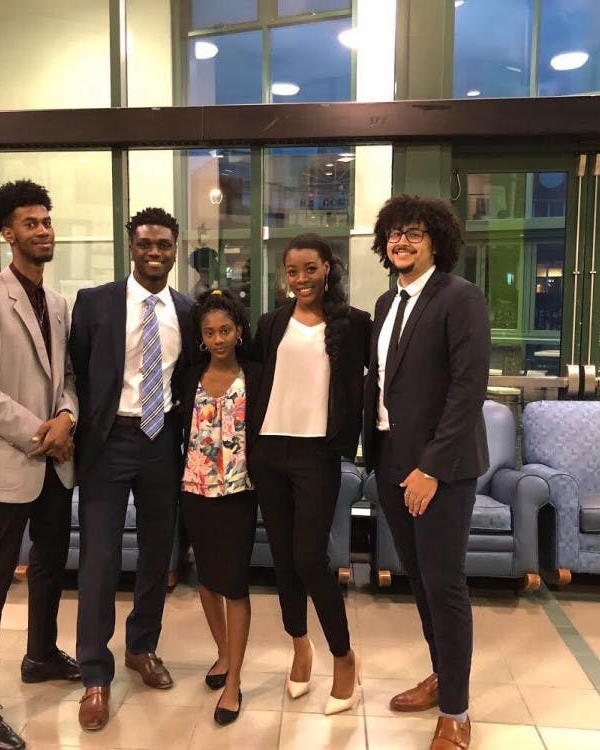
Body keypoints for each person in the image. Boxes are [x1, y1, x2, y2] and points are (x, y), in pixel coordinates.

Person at [0, 179, 80, 750]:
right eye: (31, 223)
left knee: (52, 566)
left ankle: (41, 654)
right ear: (8, 234)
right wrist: (41, 432)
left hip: (55, 463)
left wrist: (68, 420)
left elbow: (68, 379)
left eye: (47, 221)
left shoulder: (57, 303)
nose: (43, 231)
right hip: (12, 460)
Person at [362, 195, 490, 750]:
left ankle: (457, 711)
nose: (402, 242)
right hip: (391, 461)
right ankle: (442, 675)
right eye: (393, 233)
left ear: (436, 241)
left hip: (441, 470)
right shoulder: (386, 303)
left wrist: (431, 469)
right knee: (419, 580)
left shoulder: (460, 299)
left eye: (414, 233)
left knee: (445, 585)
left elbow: (467, 391)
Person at [69, 207, 195, 731]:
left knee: (156, 553)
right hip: (109, 441)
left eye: (163, 245)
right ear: (131, 246)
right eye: (145, 244)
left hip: (162, 440)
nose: (154, 253)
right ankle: (95, 673)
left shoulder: (187, 310)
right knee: (98, 558)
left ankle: (142, 647)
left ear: (175, 248)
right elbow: (77, 368)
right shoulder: (95, 303)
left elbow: (188, 377)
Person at [247, 233, 371, 716]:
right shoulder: (271, 322)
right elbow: (255, 383)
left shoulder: (355, 324)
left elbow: (371, 385)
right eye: (292, 271)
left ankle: (343, 655)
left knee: (310, 559)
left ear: (328, 268)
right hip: (269, 452)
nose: (301, 279)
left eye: (310, 269)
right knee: (282, 558)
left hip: (317, 455)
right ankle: (299, 647)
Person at [178, 289, 261, 726]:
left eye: (225, 330)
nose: (218, 338)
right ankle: (223, 654)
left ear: (239, 330)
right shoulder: (189, 376)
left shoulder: (257, 375)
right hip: (194, 489)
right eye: (209, 332)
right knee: (207, 581)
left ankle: (234, 682)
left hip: (239, 493)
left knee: (234, 584)